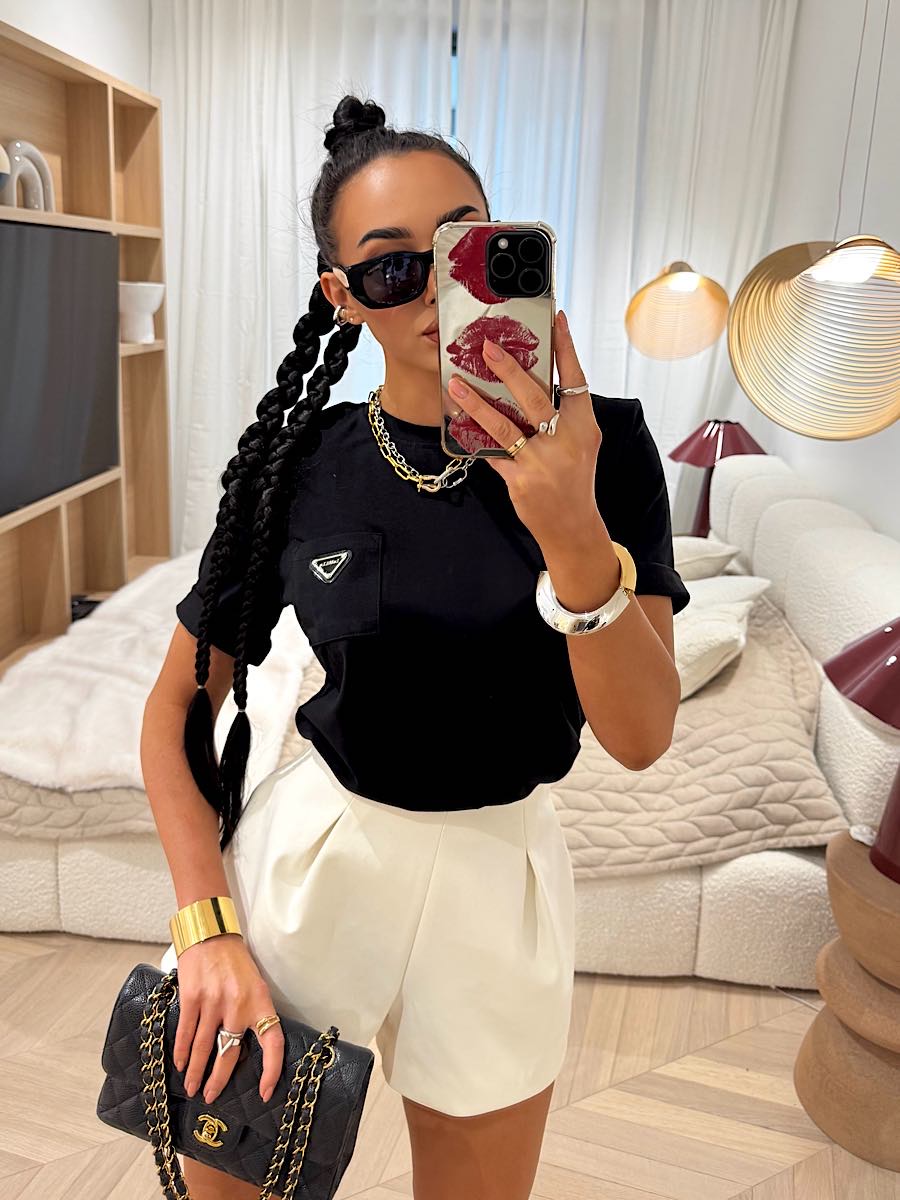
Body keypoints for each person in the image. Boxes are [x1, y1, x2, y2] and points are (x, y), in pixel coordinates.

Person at [142, 93, 689, 1200]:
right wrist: (205, 927)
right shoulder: (303, 466)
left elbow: (640, 736)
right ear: (342, 297)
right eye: (394, 267)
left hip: (501, 884)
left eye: (464, 244)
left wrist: (572, 528)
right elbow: (172, 713)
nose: (440, 286)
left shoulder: (610, 447)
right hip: (317, 863)